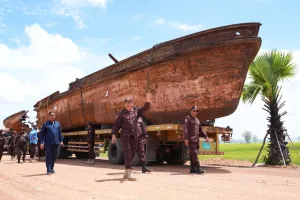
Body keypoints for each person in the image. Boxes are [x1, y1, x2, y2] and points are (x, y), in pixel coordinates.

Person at [111, 94, 151, 181]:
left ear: (132, 103)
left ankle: (126, 171)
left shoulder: (136, 111)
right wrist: (114, 134)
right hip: (125, 136)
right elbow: (116, 125)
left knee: (132, 153)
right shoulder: (121, 113)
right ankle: (129, 171)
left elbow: (144, 108)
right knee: (128, 152)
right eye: (126, 103)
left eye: (129, 102)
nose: (127, 104)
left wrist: (147, 101)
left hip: (135, 136)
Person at [184, 106, 209, 174]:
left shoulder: (197, 120)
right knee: (194, 153)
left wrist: (206, 136)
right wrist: (186, 138)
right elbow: (186, 129)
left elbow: (201, 130)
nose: (195, 112)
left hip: (196, 140)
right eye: (194, 110)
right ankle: (198, 168)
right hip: (191, 139)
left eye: (196, 111)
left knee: (193, 153)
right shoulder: (188, 118)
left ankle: (192, 169)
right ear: (190, 111)